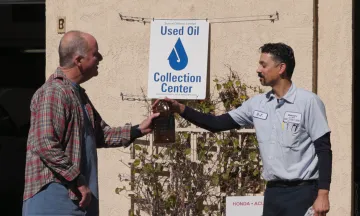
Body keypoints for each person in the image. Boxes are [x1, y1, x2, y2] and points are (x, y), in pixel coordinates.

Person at [153, 43, 332, 216]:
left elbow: (323, 149)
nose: (258, 69)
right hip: (273, 193)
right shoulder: (257, 104)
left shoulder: (308, 102)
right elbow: (216, 124)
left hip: (303, 193)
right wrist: (179, 108)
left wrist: (323, 194)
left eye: (263, 65)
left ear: (281, 68)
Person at [22, 30, 159, 216]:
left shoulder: (77, 94)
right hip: (54, 201)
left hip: (76, 199)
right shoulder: (54, 92)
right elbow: (46, 144)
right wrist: (77, 179)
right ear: (78, 60)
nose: (100, 58)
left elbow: (101, 134)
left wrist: (139, 129)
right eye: (95, 54)